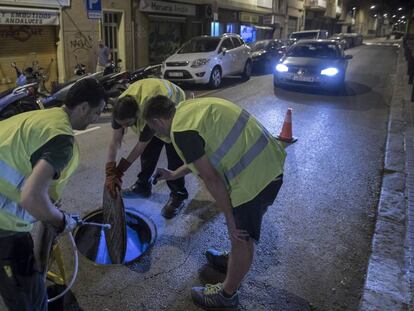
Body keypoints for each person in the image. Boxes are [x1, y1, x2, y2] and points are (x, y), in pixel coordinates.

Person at [143, 95, 286, 309]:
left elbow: (212, 179)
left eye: (152, 128)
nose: (156, 133)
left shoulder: (181, 132)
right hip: (269, 164)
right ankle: (233, 260)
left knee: (240, 237)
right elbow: (202, 160)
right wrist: (173, 174)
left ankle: (226, 296)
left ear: (157, 122)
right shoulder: (188, 111)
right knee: (241, 233)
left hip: (253, 180)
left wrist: (230, 220)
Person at [0, 78, 106, 311]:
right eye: (97, 112)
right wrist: (61, 221)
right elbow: (31, 198)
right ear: (83, 107)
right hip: (4, 229)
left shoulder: (42, 117)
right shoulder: (61, 140)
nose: (97, 118)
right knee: (29, 300)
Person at [105, 78, 188, 219]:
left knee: (174, 156)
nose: (124, 127)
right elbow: (115, 141)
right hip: (152, 99)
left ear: (138, 116)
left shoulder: (149, 111)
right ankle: (143, 186)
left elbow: (140, 146)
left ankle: (178, 195)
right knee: (148, 154)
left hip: (172, 106)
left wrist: (120, 171)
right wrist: (110, 170)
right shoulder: (120, 109)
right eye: (122, 124)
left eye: (128, 124)